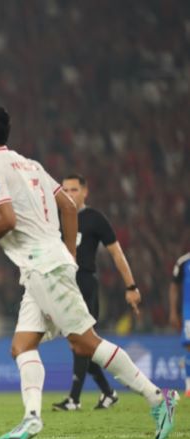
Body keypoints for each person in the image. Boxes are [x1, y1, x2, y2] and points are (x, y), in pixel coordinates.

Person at [0, 105, 177, 439]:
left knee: (85, 342)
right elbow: (68, 207)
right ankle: (31, 418)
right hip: (43, 265)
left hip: (44, 266)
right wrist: (68, 253)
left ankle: (158, 397)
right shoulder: (30, 164)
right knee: (22, 346)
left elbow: (6, 219)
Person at [52, 174, 141, 411]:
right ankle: (108, 392)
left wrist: (131, 286)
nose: (69, 194)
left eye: (73, 190)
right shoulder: (55, 218)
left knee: (81, 341)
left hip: (84, 283)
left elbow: (117, 253)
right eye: (65, 190)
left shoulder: (94, 218)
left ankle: (74, 399)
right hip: (62, 285)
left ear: (85, 191)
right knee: (80, 343)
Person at [169, 252, 190, 397]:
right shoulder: (183, 262)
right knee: (189, 346)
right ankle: (189, 386)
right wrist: (173, 311)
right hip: (189, 310)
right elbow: (174, 286)